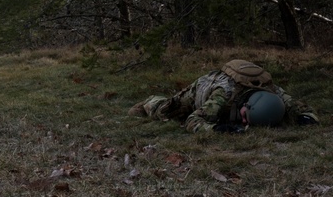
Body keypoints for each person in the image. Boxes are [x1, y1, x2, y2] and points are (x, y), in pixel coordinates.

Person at [129, 59, 320, 133]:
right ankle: (149, 101)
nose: (245, 122)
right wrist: (217, 129)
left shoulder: (274, 92)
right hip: (202, 88)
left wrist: (306, 119)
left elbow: (301, 108)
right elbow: (193, 120)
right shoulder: (223, 95)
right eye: (246, 118)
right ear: (247, 105)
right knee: (165, 111)